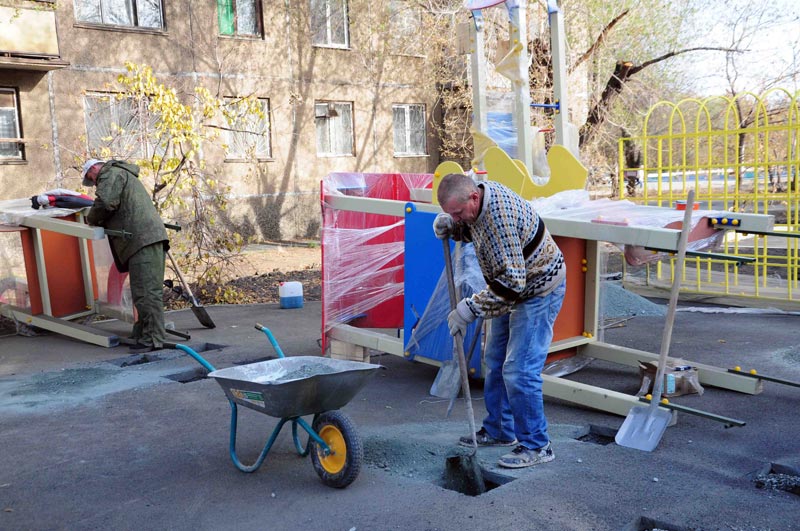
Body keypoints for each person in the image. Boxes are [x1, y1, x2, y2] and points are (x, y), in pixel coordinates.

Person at [433, 172, 566, 468]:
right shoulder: (476, 205)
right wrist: (453, 228)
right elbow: (472, 229)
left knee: (519, 370)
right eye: (450, 214)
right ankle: (500, 430)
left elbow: (511, 286)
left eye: (457, 213)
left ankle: (536, 445)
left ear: (474, 198)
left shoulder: (498, 218)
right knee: (494, 361)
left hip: (537, 289)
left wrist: (468, 309)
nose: (457, 217)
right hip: (512, 285)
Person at [82, 158, 170, 353]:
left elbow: (105, 202)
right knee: (142, 292)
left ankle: (153, 339)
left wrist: (92, 218)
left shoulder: (110, 173)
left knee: (147, 293)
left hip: (143, 240)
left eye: (91, 178)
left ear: (95, 168)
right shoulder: (121, 174)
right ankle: (142, 333)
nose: (94, 183)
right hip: (144, 239)